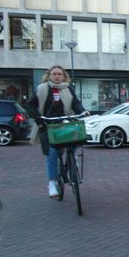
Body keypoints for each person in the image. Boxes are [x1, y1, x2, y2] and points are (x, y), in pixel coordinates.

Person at [27, 65, 88, 199]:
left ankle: (73, 161)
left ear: (63, 76)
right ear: (49, 76)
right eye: (54, 74)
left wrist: (82, 111)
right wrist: (38, 119)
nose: (57, 76)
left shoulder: (68, 89)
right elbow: (31, 105)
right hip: (47, 125)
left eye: (59, 74)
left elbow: (75, 104)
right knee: (52, 153)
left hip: (64, 123)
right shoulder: (42, 89)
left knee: (77, 140)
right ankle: (52, 183)